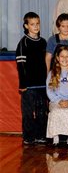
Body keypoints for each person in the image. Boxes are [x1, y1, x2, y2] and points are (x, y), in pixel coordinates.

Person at [16, 12, 48, 145]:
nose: (36, 26)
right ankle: (28, 137)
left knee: (42, 112)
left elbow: (47, 63)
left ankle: (41, 135)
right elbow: (21, 65)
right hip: (29, 86)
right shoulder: (23, 43)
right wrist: (23, 84)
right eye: (32, 24)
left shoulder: (43, 42)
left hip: (42, 85)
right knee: (28, 113)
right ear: (26, 26)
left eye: (37, 24)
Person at [46, 46, 68, 147]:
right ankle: (56, 138)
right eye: (62, 56)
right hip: (56, 101)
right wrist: (59, 101)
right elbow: (49, 90)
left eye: (67, 56)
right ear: (57, 58)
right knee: (55, 112)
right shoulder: (52, 73)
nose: (64, 59)